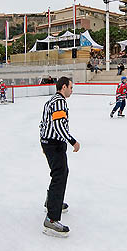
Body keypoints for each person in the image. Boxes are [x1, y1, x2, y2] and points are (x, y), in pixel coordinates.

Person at [39, 77, 80, 237]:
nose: (72, 90)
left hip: (49, 143)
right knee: (60, 176)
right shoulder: (59, 102)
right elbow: (58, 126)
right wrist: (73, 141)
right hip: (54, 145)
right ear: (64, 87)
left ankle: (52, 202)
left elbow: (43, 124)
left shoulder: (51, 100)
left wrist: (43, 142)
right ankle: (51, 219)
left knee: (59, 174)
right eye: (71, 87)